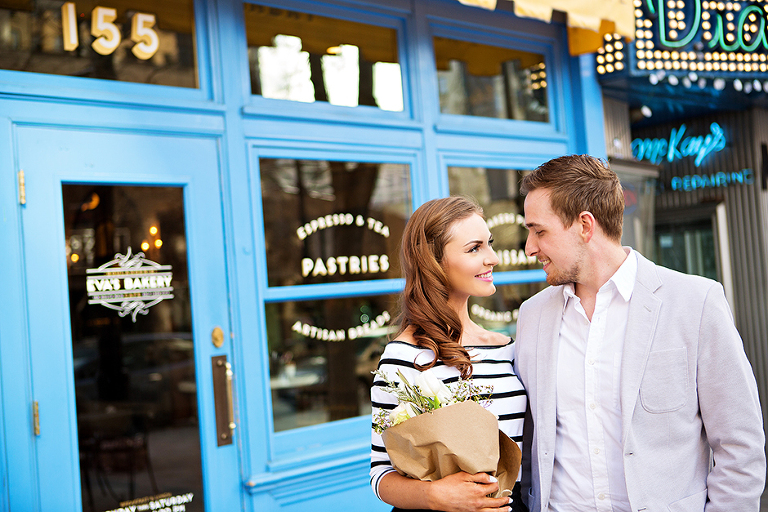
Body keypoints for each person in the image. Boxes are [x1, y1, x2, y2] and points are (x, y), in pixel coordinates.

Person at [514, 154, 766, 512]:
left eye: (539, 231)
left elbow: (741, 447)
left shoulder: (695, 302)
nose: (530, 248)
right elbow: (531, 439)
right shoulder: (532, 316)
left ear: (585, 226)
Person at [370, 196, 528, 512]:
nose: (493, 258)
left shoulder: (505, 346)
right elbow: (380, 475)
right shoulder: (404, 357)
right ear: (433, 261)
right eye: (474, 248)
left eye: (490, 244)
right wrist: (436, 496)